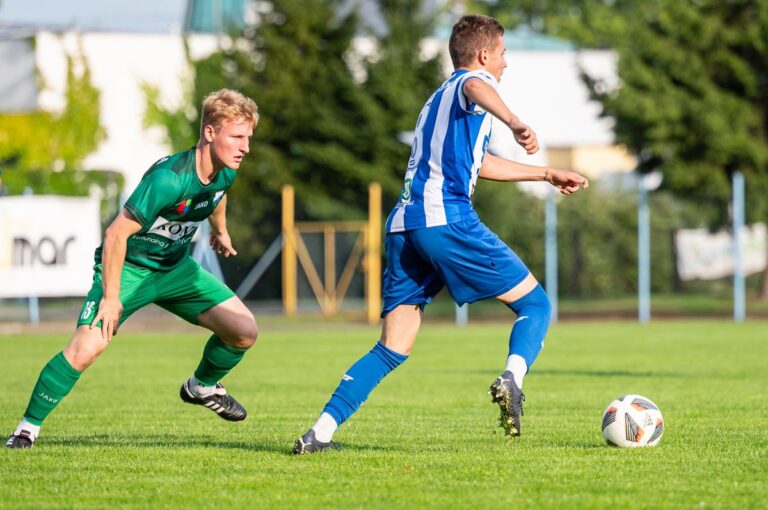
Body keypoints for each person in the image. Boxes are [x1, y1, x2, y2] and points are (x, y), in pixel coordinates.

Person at [292, 15, 589, 454]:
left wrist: (545, 173)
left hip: (404, 226)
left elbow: (479, 164)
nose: (506, 63)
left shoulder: (437, 100)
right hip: (446, 220)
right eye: (503, 54)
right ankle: (512, 378)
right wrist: (514, 121)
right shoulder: (471, 84)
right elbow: (476, 85)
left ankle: (319, 433)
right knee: (535, 304)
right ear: (484, 55)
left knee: (393, 346)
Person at [6, 89, 260, 449]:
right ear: (209, 132)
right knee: (86, 349)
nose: (245, 147)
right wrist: (111, 298)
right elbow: (115, 234)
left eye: (248, 138)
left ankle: (201, 386)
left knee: (244, 331)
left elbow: (218, 196)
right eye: (237, 137)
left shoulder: (226, 172)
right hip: (128, 269)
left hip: (175, 270)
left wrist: (220, 230)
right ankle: (26, 429)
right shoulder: (169, 179)